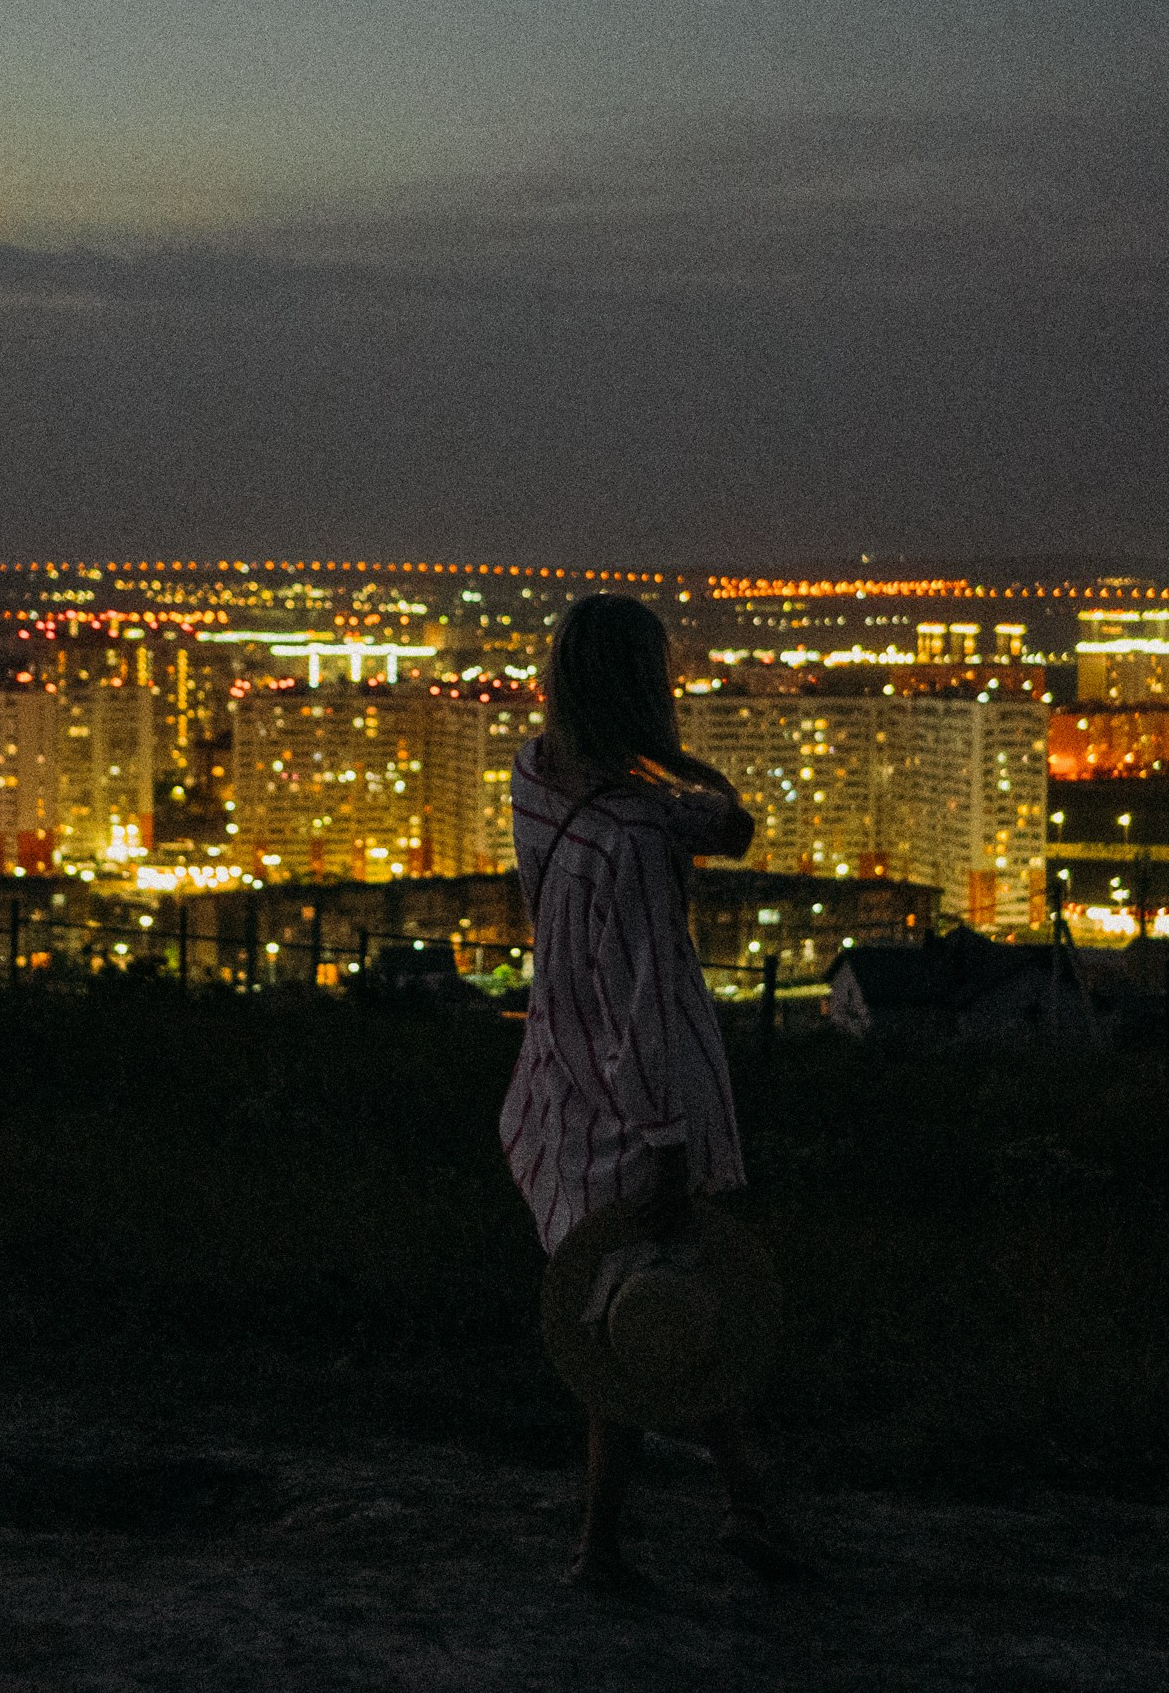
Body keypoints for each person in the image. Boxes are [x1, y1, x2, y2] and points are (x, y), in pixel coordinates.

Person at [500, 593, 817, 1590]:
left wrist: (703, 815)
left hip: (561, 1079)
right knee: (638, 1319)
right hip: (631, 1111)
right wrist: (669, 1142)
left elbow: (667, 824)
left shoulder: (535, 777)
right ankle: (602, 1546)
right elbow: (642, 998)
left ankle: (740, 1507)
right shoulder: (633, 839)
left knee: (661, 1310)